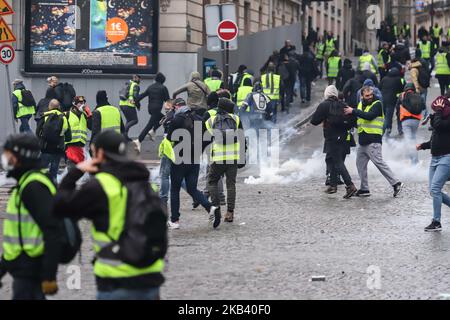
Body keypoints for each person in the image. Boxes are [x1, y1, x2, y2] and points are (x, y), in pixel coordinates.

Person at [53, 130, 166, 299]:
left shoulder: (100, 186)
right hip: (150, 279)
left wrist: (75, 173)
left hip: (117, 280)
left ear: (99, 153)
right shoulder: (145, 183)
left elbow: (60, 207)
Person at [0, 134, 63, 299]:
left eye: (9, 155)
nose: (5, 159)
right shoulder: (26, 182)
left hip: (31, 271)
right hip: (24, 270)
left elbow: (52, 229)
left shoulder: (33, 187)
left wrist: (49, 275)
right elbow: (19, 236)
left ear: (21, 156)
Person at [166, 98, 220, 230]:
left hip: (179, 159)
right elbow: (209, 138)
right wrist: (198, 150)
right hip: (194, 158)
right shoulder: (199, 118)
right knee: (192, 188)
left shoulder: (177, 119)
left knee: (174, 189)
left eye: (174, 108)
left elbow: (169, 138)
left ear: (177, 107)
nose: (173, 110)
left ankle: (174, 220)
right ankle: (210, 207)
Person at [344, 86, 404, 198]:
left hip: (373, 140)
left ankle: (396, 183)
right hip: (363, 140)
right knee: (360, 165)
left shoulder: (377, 104)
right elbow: (359, 121)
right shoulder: (361, 104)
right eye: (367, 95)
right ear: (362, 96)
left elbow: (369, 116)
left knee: (379, 163)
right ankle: (364, 189)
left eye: (371, 94)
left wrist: (353, 111)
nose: (370, 97)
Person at [310, 85, 358, 198]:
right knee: (330, 159)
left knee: (338, 162)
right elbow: (353, 120)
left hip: (332, 137)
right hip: (344, 137)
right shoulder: (343, 104)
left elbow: (314, 121)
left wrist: (323, 117)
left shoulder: (324, 105)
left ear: (326, 94)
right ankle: (333, 185)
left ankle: (350, 185)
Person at [205, 98, 245, 223]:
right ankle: (230, 213)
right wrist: (242, 157)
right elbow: (242, 138)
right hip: (233, 157)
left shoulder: (210, 121)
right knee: (231, 184)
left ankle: (216, 209)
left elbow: (206, 139)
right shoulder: (236, 119)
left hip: (217, 158)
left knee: (212, 182)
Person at [417, 97, 450, 231]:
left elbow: (439, 125)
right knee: (433, 191)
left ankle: (436, 222)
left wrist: (438, 111)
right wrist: (423, 146)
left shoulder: (444, 117)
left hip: (446, 158)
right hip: (435, 158)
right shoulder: (440, 116)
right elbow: (435, 138)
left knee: (435, 189)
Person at [36, 99, 71, 183]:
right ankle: (53, 188)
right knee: (54, 170)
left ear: (49, 106)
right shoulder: (63, 117)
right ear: (59, 107)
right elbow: (68, 135)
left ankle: (40, 185)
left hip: (46, 147)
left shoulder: (45, 116)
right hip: (58, 148)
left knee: (41, 169)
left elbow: (37, 132)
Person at [134, 72, 170, 152]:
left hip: (150, 109)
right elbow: (167, 100)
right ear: (162, 80)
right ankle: (139, 140)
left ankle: (153, 131)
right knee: (150, 125)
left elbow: (141, 96)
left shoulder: (150, 87)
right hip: (157, 109)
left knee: (164, 118)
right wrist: (172, 109)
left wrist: (137, 103)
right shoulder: (163, 88)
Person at [396, 83, 424, 164]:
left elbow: (398, 108)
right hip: (416, 120)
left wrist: (399, 122)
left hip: (406, 120)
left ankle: (414, 161)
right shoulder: (418, 95)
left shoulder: (402, 95)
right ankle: (412, 158)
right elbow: (423, 106)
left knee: (409, 140)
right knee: (413, 138)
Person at [65, 96, 92, 167]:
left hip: (81, 145)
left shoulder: (84, 115)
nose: (82, 105)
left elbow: (92, 127)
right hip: (71, 144)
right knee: (72, 164)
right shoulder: (67, 114)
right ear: (74, 104)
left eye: (83, 103)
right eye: (80, 103)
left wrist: (89, 115)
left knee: (80, 166)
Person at [379, 67, 404, 136]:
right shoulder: (399, 79)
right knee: (388, 116)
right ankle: (386, 130)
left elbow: (379, 87)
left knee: (384, 116)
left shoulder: (384, 78)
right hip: (392, 100)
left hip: (383, 99)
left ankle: (387, 128)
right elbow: (402, 88)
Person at [119, 75, 141, 140]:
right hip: (129, 105)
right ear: (137, 78)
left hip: (122, 104)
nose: (140, 81)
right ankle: (122, 135)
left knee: (129, 120)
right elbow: (136, 97)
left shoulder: (128, 83)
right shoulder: (136, 85)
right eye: (139, 79)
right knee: (135, 120)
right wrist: (138, 106)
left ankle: (125, 137)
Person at [409, 58, 431, 123]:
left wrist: (416, 88)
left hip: (419, 87)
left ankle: (425, 114)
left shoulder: (413, 69)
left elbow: (414, 79)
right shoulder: (422, 67)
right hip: (425, 87)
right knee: (423, 101)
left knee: (418, 102)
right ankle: (425, 114)